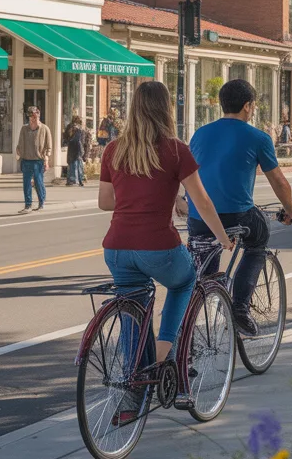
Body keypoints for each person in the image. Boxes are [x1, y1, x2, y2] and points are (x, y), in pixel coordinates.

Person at [99, 80, 232, 369]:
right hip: (157, 246)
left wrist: (147, 198)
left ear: (133, 109)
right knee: (184, 282)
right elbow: (203, 203)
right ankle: (161, 355)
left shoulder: (113, 150)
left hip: (116, 248)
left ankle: (133, 383)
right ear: (166, 110)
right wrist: (223, 238)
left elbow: (106, 202)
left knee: (132, 309)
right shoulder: (175, 150)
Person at [185, 78, 292, 336]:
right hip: (236, 215)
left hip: (199, 216)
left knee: (203, 274)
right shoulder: (258, 137)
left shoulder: (200, 134)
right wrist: (290, 210)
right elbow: (279, 182)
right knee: (258, 239)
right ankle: (239, 308)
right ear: (248, 106)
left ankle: (190, 331)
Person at [15, 106, 52, 213]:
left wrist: (46, 159)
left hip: (38, 161)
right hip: (26, 160)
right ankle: (28, 205)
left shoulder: (45, 129)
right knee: (26, 183)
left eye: (35, 116)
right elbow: (20, 144)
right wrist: (18, 154)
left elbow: (48, 146)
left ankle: (41, 202)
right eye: (31, 117)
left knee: (38, 182)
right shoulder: (24, 129)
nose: (33, 119)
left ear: (38, 115)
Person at [66, 115, 88, 186]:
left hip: (73, 148)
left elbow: (67, 137)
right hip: (79, 149)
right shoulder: (82, 128)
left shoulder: (71, 127)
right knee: (78, 164)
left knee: (73, 164)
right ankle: (80, 180)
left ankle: (73, 180)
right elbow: (85, 141)